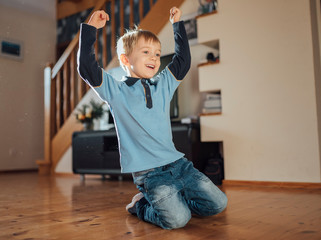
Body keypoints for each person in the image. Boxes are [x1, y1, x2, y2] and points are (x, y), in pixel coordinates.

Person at [77, 6, 227, 230]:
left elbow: (182, 61)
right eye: (146, 52)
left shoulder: (163, 85)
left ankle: (174, 201)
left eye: (157, 53)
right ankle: (141, 206)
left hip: (179, 166)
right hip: (151, 175)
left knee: (219, 204)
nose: (154, 58)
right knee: (178, 220)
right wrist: (90, 29)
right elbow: (87, 68)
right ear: (125, 59)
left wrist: (177, 25)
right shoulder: (115, 91)